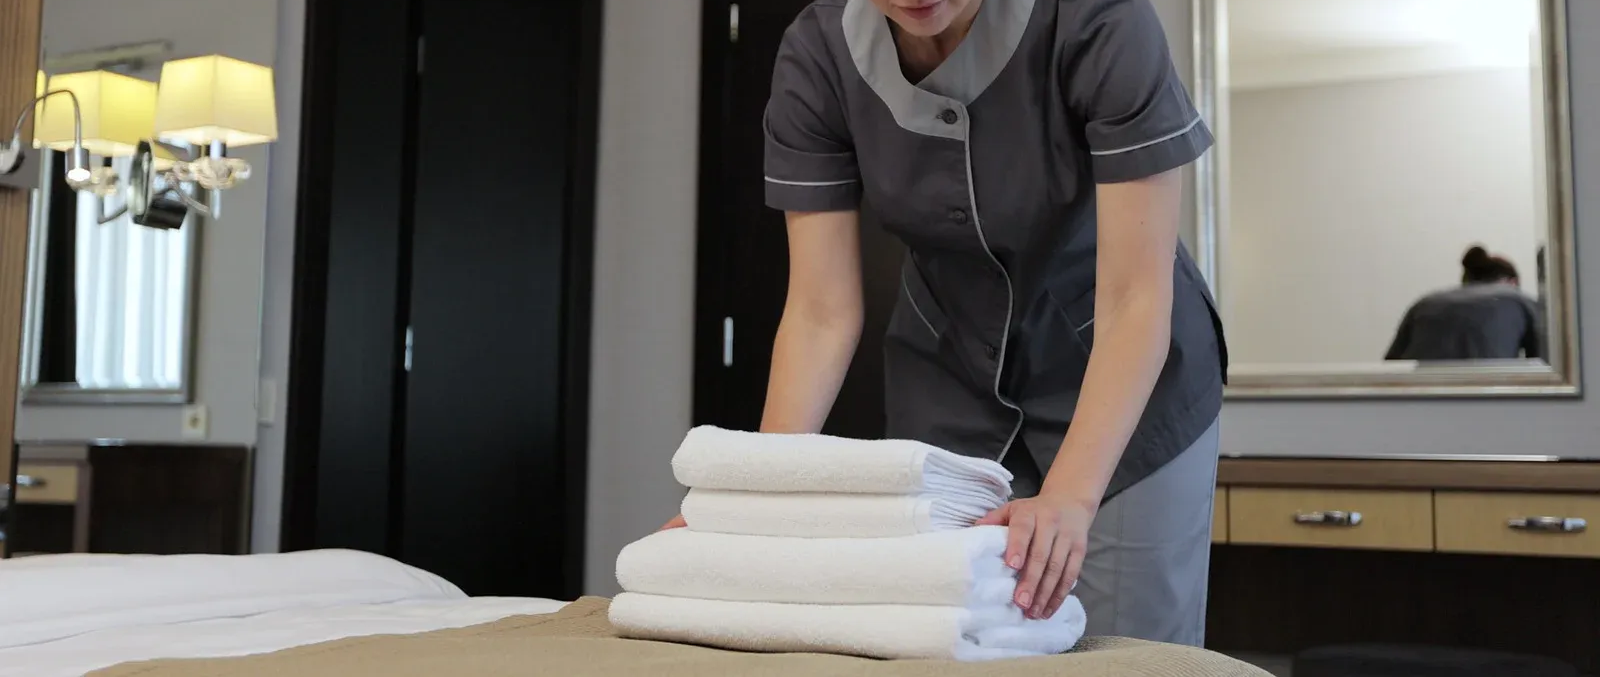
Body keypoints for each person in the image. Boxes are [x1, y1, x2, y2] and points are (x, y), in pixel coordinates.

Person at [662, 0, 1225, 645]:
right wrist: (754, 501)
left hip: (1123, 383)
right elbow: (820, 311)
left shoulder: (1100, 21)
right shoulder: (818, 52)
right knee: (934, 636)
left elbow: (1133, 299)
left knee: (1121, 649)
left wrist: (1070, 499)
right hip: (947, 380)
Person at [1385, 246, 1544, 362]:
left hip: (1422, 400)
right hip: (1487, 399)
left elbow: (1391, 364)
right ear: (1512, 282)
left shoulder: (1424, 303)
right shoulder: (1519, 300)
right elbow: (1548, 367)